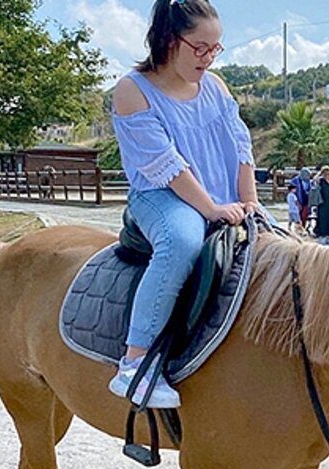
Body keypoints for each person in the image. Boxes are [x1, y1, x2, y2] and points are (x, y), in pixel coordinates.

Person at [108, 0, 255, 408]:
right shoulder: (132, 90)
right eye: (200, 47)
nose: (208, 58)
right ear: (170, 41)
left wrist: (250, 201)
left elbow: (240, 147)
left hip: (221, 196)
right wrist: (210, 210)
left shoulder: (217, 87)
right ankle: (135, 364)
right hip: (161, 196)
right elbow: (167, 166)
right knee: (183, 242)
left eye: (216, 48)